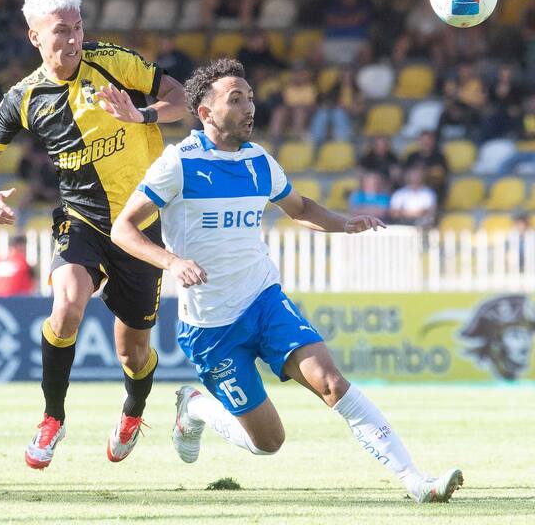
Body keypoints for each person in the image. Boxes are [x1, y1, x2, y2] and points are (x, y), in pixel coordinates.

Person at [111, 59, 463, 503]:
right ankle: (195, 406)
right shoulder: (178, 164)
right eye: (235, 100)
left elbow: (300, 208)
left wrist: (343, 223)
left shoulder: (260, 162)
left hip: (264, 302)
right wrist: (170, 260)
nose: (249, 108)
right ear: (204, 112)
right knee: (268, 442)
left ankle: (416, 481)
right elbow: (122, 229)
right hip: (210, 328)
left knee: (332, 382)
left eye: (251, 98)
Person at [0, 0, 187, 469]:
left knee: (133, 353)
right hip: (81, 218)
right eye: (61, 31)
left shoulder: (113, 62)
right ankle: (52, 417)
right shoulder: (24, 98)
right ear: (35, 37)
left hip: (141, 223)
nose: (73, 39)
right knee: (66, 304)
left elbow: (181, 98)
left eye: (78, 27)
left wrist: (144, 113)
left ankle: (133, 410)